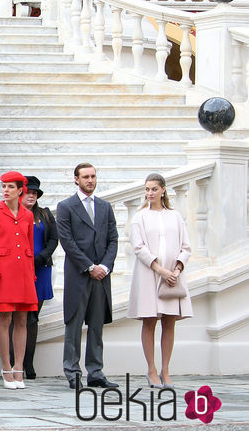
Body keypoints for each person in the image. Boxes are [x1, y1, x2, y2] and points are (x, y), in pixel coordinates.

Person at [57, 163, 118, 389]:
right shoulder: (66, 207)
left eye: (93, 176)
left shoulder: (105, 207)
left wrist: (105, 266)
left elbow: (113, 239)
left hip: (101, 277)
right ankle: (72, 371)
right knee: (73, 325)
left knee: (96, 326)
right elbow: (68, 242)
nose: (90, 180)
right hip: (79, 275)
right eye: (85, 177)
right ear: (76, 179)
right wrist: (90, 267)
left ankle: (96, 371)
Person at [128, 173, 193, 389]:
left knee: (169, 321)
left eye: (154, 189)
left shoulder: (175, 216)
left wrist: (176, 269)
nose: (150, 193)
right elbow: (138, 247)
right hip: (149, 274)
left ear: (163, 190)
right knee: (150, 320)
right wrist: (159, 269)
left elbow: (186, 246)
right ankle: (152, 369)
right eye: (147, 189)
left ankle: (166, 369)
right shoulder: (140, 217)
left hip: (173, 277)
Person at [0, 171, 38, 390]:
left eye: (10, 187)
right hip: (3, 272)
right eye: (3, 186)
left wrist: (31, 274)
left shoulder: (27, 215)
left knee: (23, 319)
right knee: (5, 318)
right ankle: (6, 367)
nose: (5, 190)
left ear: (19, 190)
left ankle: (19, 368)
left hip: (24, 271)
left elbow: (30, 247)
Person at [13, 175, 57, 380]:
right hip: (18, 269)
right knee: (16, 316)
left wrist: (40, 258)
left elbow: (54, 240)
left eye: (34, 193)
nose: (31, 195)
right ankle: (15, 362)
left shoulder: (45, 215)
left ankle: (28, 362)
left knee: (32, 317)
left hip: (40, 268)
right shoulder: (13, 214)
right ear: (20, 193)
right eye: (28, 191)